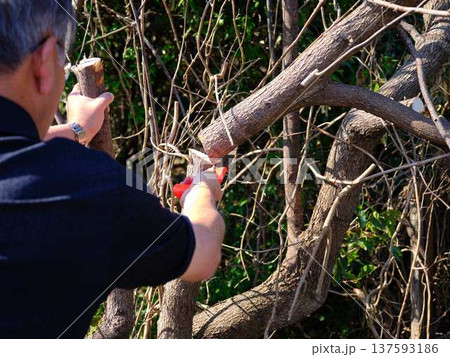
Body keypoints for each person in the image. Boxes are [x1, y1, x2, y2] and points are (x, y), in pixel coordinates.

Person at [0, 0, 225, 338]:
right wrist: (201, 192)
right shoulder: (83, 188)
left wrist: (77, 129)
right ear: (44, 62)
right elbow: (203, 253)